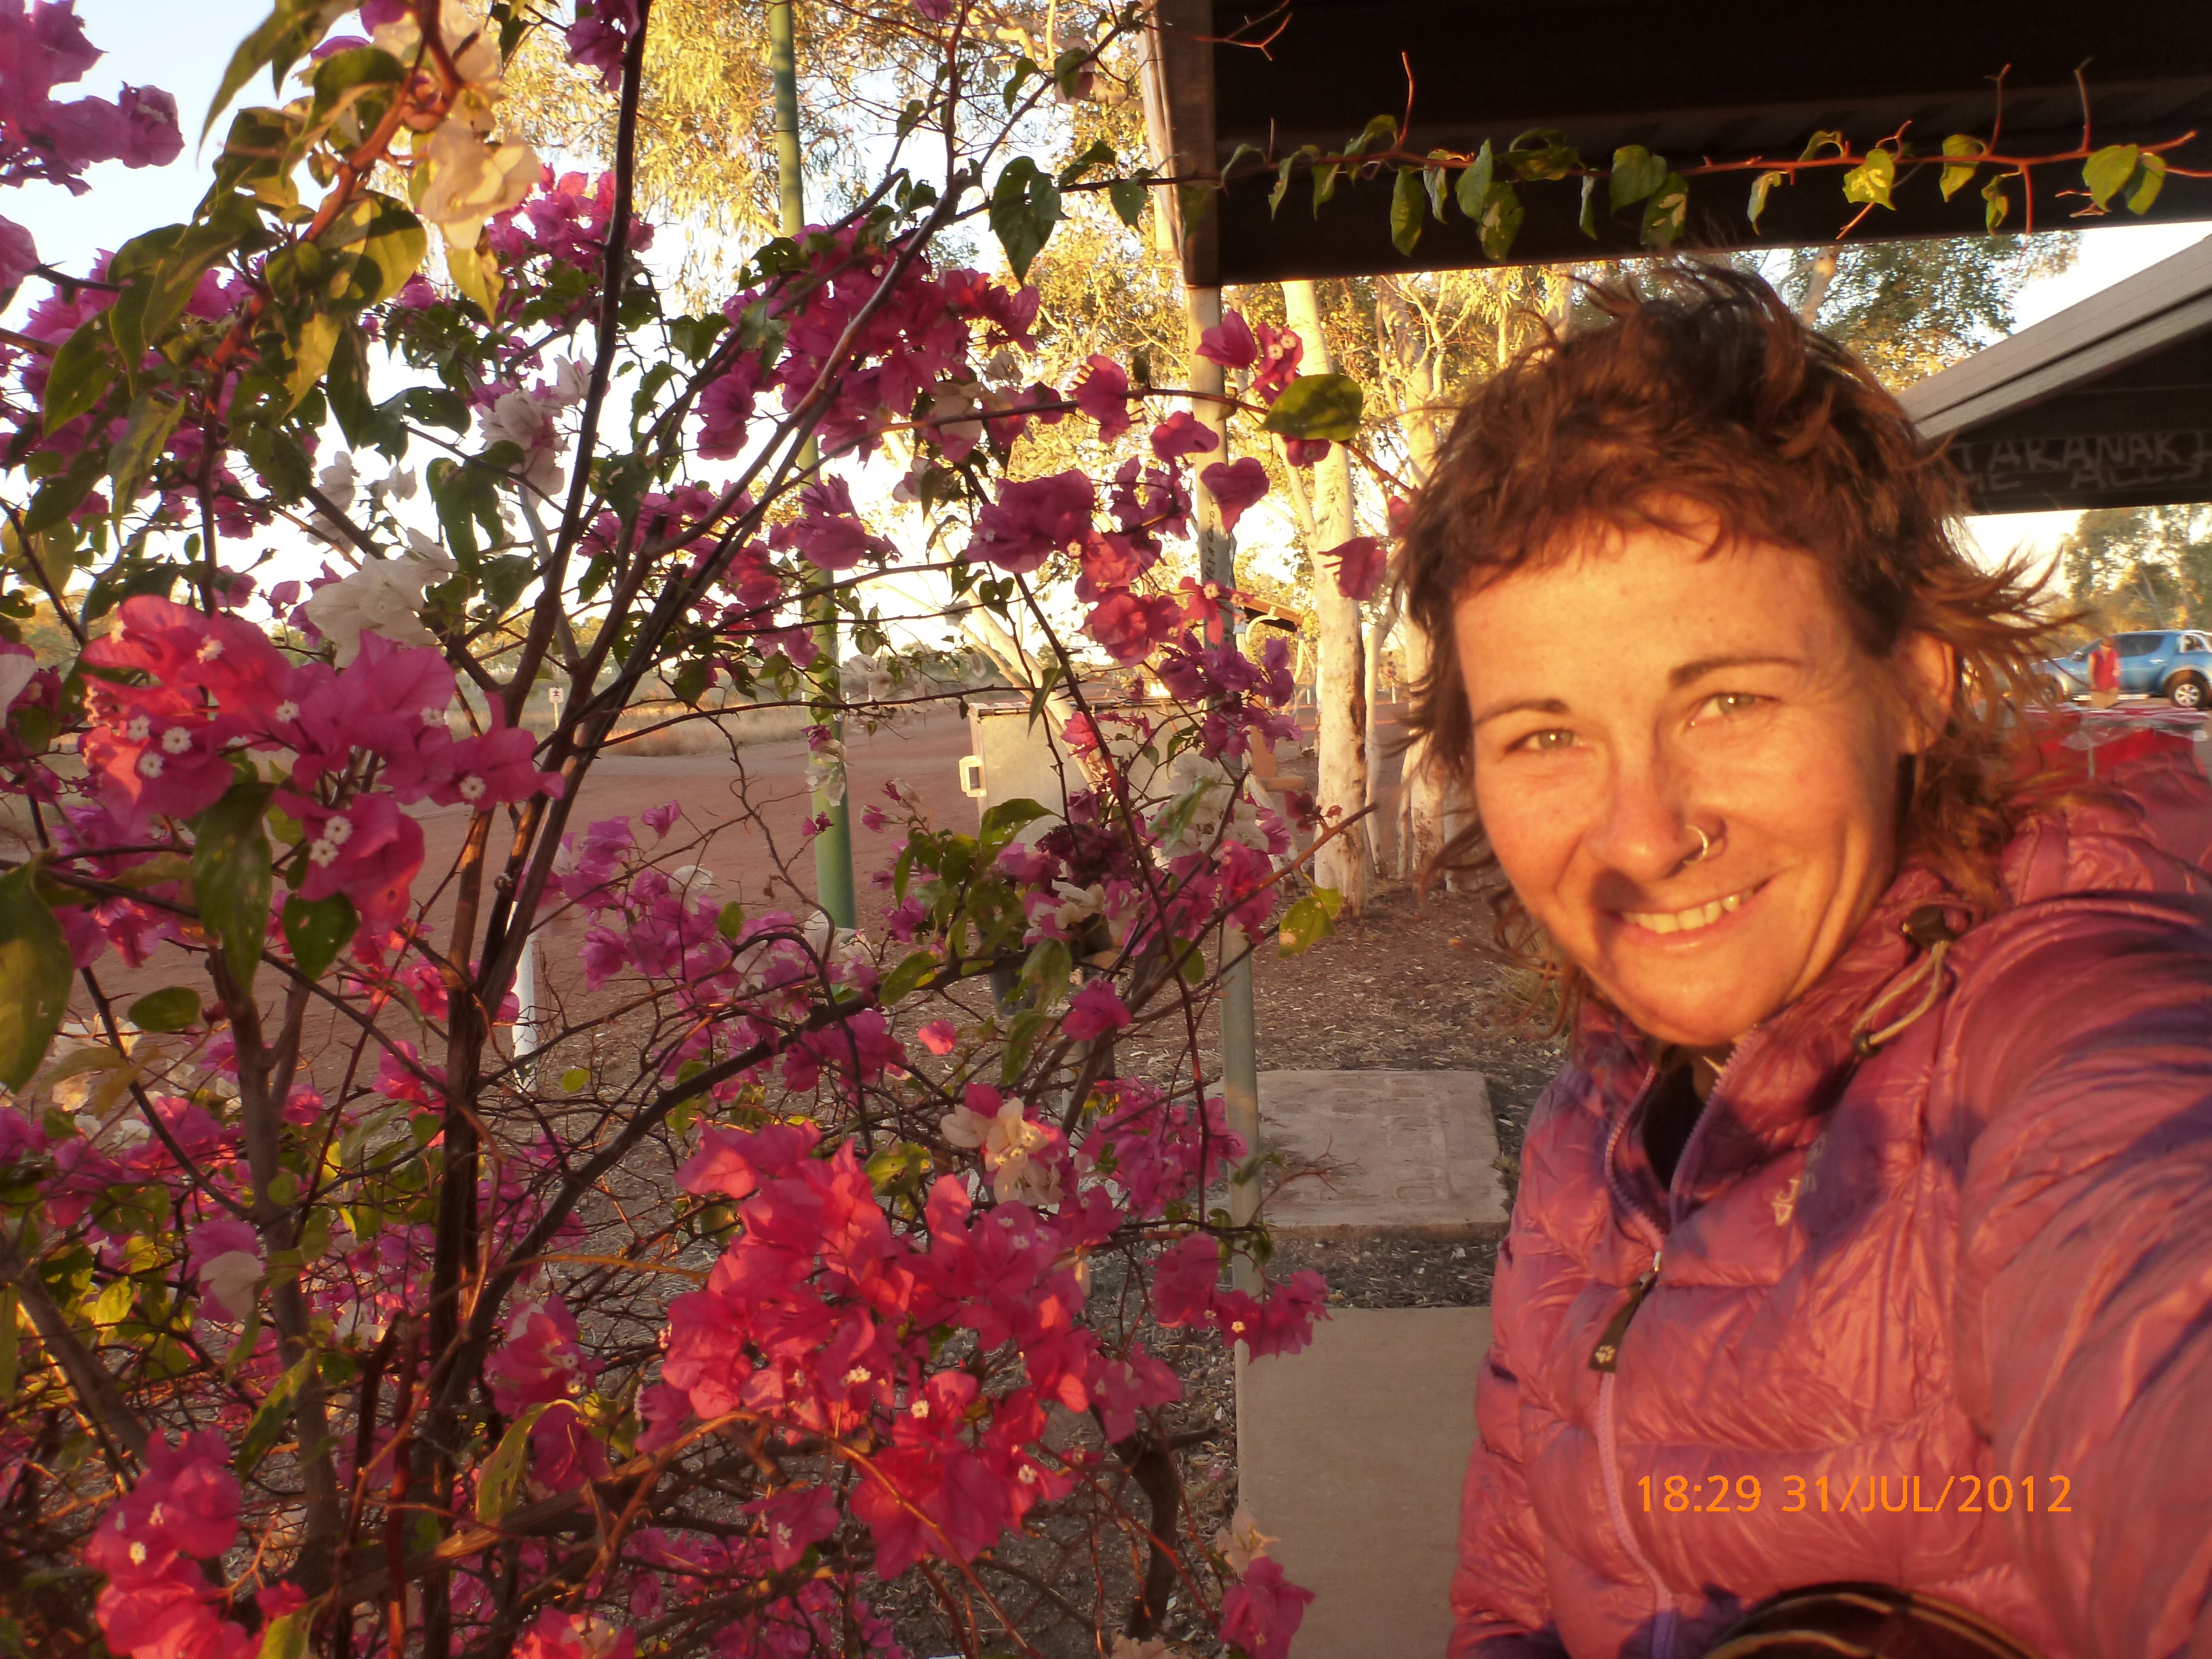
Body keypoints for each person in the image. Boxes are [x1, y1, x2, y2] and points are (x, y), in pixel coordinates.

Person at [1395, 268, 2212, 1659]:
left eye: (1727, 699)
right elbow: (1515, 1601)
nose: (1642, 835)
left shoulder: (2060, 1014)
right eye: (1547, 734)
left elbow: (2143, 1262)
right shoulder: (1594, 1124)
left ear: (1915, 685)